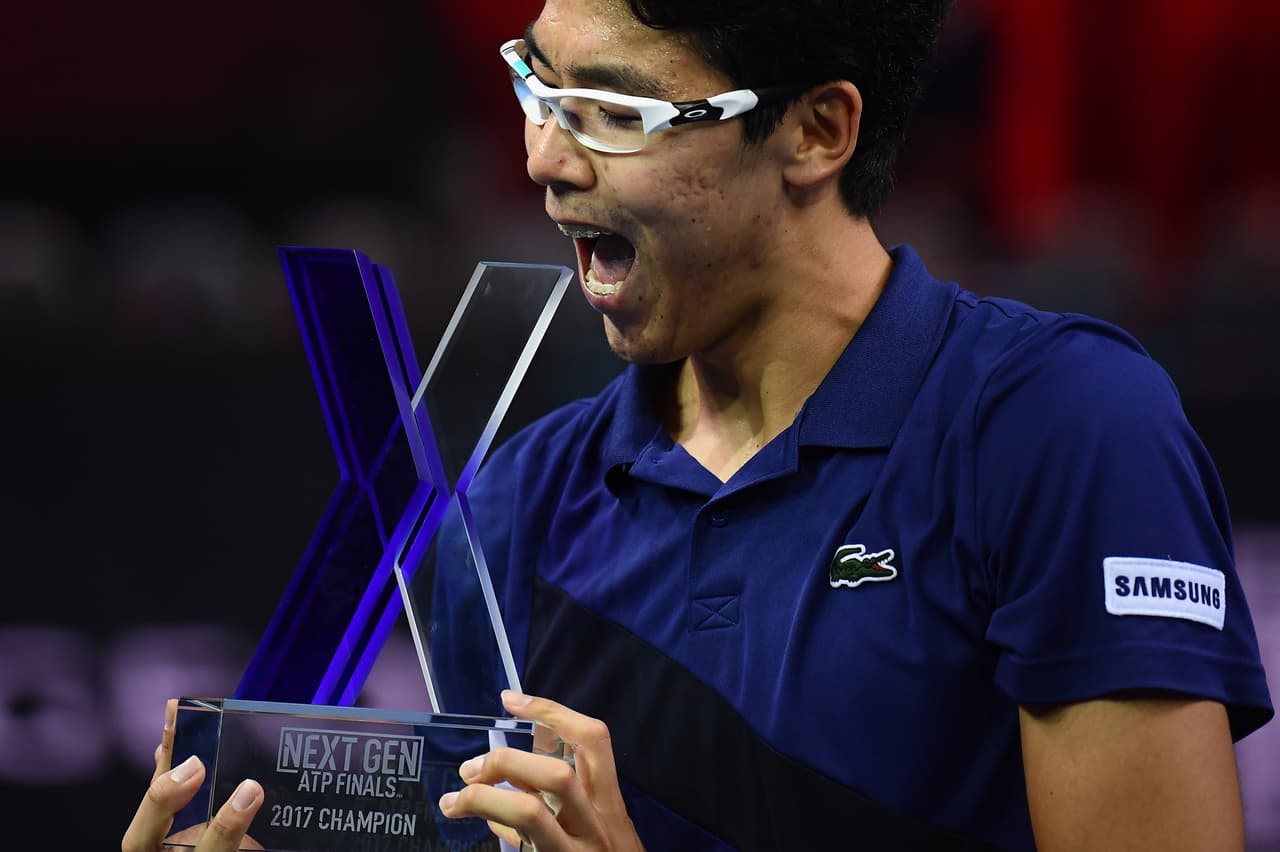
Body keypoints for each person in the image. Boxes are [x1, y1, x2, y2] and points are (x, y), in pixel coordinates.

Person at [123, 0, 1273, 849]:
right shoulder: (518, 501)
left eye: (611, 111)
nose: (541, 157)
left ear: (816, 134)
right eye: (535, 82)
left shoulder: (1061, 428)